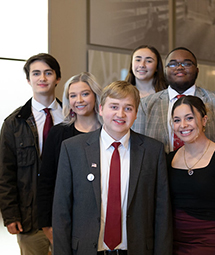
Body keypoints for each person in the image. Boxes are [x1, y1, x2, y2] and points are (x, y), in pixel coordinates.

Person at [52, 81, 172, 255]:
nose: (120, 114)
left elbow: (162, 212)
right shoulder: (73, 149)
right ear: (101, 109)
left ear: (136, 113)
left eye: (128, 108)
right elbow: (61, 210)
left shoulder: (153, 151)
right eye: (114, 106)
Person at [132, 46, 215, 162]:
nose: (179, 68)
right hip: (161, 175)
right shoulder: (146, 104)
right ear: (165, 71)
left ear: (197, 70)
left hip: (208, 176)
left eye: (187, 64)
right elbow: (138, 146)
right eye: (173, 64)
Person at [0, 53, 63, 255]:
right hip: (30, 219)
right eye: (36, 73)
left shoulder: (72, 116)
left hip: (66, 216)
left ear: (58, 78)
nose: (42, 78)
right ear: (29, 80)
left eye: (48, 73)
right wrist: (10, 215)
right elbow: (5, 173)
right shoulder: (13, 123)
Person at [167, 95, 215, 255]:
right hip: (171, 245)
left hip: (209, 244)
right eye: (176, 120)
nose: (183, 125)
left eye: (189, 118)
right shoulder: (168, 159)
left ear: (204, 120)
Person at [37, 72, 102, 244]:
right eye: (72, 95)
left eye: (85, 93)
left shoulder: (109, 133)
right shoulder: (58, 133)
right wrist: (47, 224)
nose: (78, 100)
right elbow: (46, 180)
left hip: (102, 219)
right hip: (67, 218)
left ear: (96, 96)